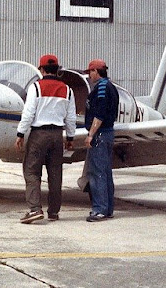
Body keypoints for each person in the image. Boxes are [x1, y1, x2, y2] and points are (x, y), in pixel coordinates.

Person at [15, 54, 76, 224]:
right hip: (57, 135)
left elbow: (28, 114)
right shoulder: (67, 90)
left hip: (39, 134)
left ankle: (35, 209)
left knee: (32, 171)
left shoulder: (36, 87)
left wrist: (20, 133)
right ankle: (54, 212)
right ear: (57, 69)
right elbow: (70, 117)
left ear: (41, 69)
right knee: (55, 173)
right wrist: (70, 136)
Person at [83, 59, 118, 222]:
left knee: (97, 173)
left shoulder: (102, 88)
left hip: (100, 135)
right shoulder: (110, 86)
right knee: (105, 172)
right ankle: (108, 208)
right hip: (107, 134)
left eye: (90, 72)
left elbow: (100, 113)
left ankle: (100, 210)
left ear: (96, 71)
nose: (89, 76)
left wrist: (91, 134)